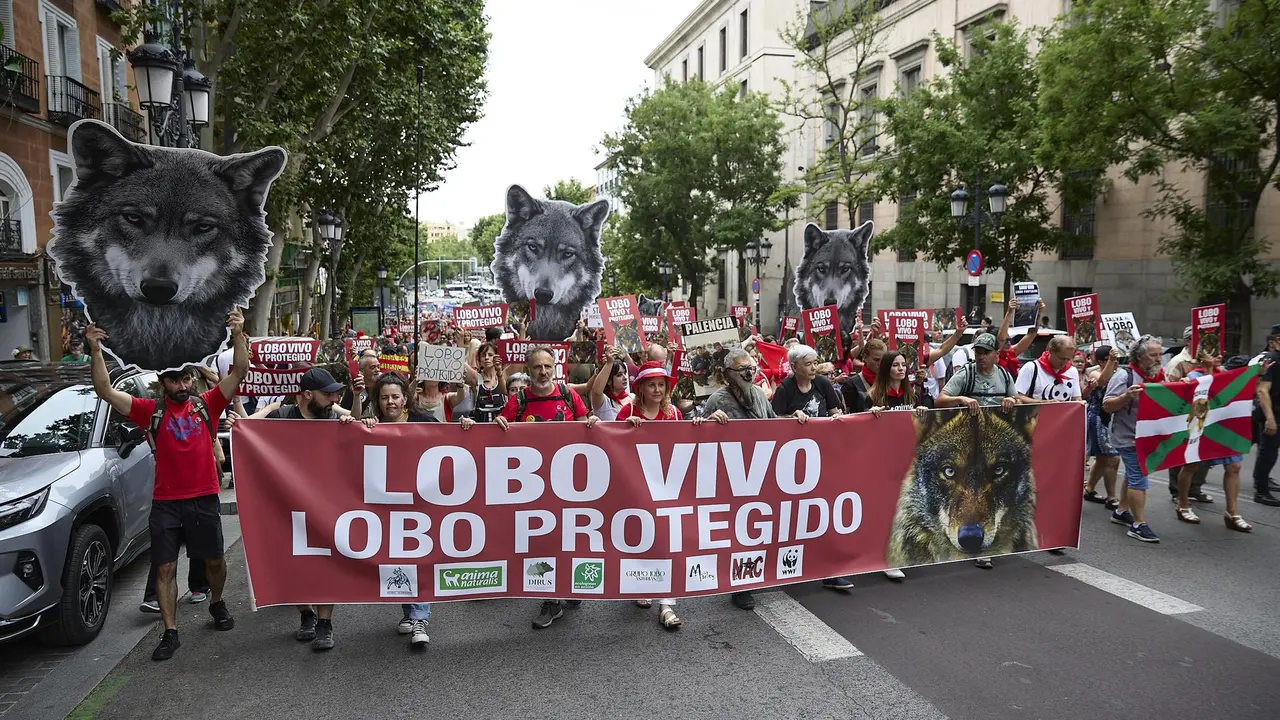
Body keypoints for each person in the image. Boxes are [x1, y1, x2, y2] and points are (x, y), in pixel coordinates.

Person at [85, 310, 247, 662]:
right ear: (163, 382)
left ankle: (216, 603)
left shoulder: (207, 405)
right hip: (167, 503)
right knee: (164, 569)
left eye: (186, 379)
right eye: (174, 381)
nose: (182, 385)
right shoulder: (149, 410)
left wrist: (238, 334)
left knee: (215, 562)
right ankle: (170, 631)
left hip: (203, 499)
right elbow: (105, 391)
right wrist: (96, 351)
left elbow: (240, 373)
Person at [702, 348, 848, 599]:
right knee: (743, 533)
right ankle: (742, 587)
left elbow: (773, 423)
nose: (749, 373)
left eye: (751, 367)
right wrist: (710, 421)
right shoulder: (717, 400)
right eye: (742, 369)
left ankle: (822, 569)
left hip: (765, 469)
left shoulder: (759, 394)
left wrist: (792, 417)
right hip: (738, 475)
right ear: (728, 374)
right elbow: (700, 438)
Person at [493, 347, 599, 628]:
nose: (543, 372)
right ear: (528, 370)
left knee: (571, 537)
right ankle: (551, 600)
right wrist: (498, 423)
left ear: (555, 368)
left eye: (548, 367)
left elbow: (584, 429)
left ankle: (570, 586)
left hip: (569, 485)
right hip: (535, 487)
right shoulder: (520, 400)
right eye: (537, 367)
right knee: (544, 542)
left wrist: (591, 423)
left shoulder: (568, 394)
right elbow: (500, 434)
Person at [265, 367, 370, 650]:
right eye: (327, 394)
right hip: (288, 505)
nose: (333, 397)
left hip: (326, 505)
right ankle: (307, 614)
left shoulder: (334, 418)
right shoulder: (281, 418)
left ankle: (325, 623)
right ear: (307, 394)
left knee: (327, 562)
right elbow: (247, 432)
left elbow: (357, 425)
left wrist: (355, 401)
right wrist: (258, 412)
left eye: (336, 392)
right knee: (293, 565)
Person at [618, 361, 708, 629]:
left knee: (670, 542)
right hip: (635, 489)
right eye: (651, 385)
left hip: (668, 489)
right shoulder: (628, 410)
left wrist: (702, 425)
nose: (657, 390)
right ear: (641, 388)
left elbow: (685, 444)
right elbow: (608, 443)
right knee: (642, 538)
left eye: (661, 385)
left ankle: (666, 605)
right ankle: (642, 584)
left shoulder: (673, 414)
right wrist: (624, 429)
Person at [935, 332, 1024, 568]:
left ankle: (988, 546)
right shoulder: (966, 373)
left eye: (985, 352)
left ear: (996, 354)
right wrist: (962, 399)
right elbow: (940, 399)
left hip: (994, 448)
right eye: (978, 352)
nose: (981, 356)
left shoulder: (1004, 375)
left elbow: (1017, 398)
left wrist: (1012, 401)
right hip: (968, 445)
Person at [371, 373, 440, 646]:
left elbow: (452, 442)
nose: (391, 402)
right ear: (378, 401)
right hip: (387, 506)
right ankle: (409, 612)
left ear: (405, 399)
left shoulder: (425, 422)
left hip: (422, 505)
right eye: (385, 397)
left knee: (419, 558)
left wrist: (465, 426)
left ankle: (420, 618)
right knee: (397, 558)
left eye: (395, 397)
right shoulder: (371, 427)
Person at [1172, 353, 1258, 532]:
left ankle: (1232, 513)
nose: (1220, 356)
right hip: (1201, 427)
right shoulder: (1194, 375)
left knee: (1234, 467)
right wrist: (1208, 371)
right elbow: (1202, 396)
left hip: (1224, 427)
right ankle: (1183, 504)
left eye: (1221, 353)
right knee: (1191, 466)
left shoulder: (1231, 376)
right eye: (1214, 353)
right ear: (1203, 356)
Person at [868, 350, 933, 580]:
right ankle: (880, 557)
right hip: (881, 462)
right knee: (884, 511)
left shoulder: (911, 395)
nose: (901, 368)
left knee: (903, 510)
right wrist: (870, 414)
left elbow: (923, 424)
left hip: (906, 460)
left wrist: (923, 410)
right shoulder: (873, 395)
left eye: (904, 365)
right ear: (887, 369)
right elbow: (857, 426)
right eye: (895, 365)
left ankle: (896, 556)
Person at [1102, 335, 1164, 543]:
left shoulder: (1159, 375)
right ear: (1139, 357)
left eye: (1160, 354)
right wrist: (1127, 396)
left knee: (1132, 474)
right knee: (1139, 477)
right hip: (1128, 437)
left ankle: (1121, 511)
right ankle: (1138, 524)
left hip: (1148, 437)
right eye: (1153, 355)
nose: (1158, 359)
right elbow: (1108, 405)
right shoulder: (1123, 377)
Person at [1083, 346, 1121, 508]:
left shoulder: (1120, 372)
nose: (1116, 362)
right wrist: (1110, 363)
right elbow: (1102, 381)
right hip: (1097, 417)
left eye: (1116, 359)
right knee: (1112, 458)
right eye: (1110, 359)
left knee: (1101, 458)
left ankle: (1090, 489)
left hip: (1112, 419)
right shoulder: (1094, 372)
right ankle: (1112, 497)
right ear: (1101, 361)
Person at [771, 344, 844, 422]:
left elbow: (833, 412)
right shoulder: (784, 388)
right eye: (808, 364)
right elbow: (775, 419)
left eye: (815, 363)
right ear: (794, 367)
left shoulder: (823, 383)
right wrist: (791, 417)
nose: (814, 368)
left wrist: (836, 416)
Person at [1254, 327, 1280, 507]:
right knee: (1268, 453)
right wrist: (1270, 418)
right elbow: (1262, 391)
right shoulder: (1271, 360)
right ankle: (1261, 490)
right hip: (1273, 413)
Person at [1016, 335, 1083, 402]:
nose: (1064, 363)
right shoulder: (1031, 368)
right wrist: (1045, 403)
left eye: (1068, 359)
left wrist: (1080, 402)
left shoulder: (1072, 371)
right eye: (1061, 358)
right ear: (1050, 351)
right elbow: (1017, 397)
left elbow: (1076, 398)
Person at [467, 341, 507, 423]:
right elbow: (460, 362)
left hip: (501, 428)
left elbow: (505, 392)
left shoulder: (504, 374)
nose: (486, 358)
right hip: (480, 429)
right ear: (479, 360)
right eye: (483, 355)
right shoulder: (476, 378)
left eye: (490, 355)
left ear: (497, 357)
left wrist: (522, 331)